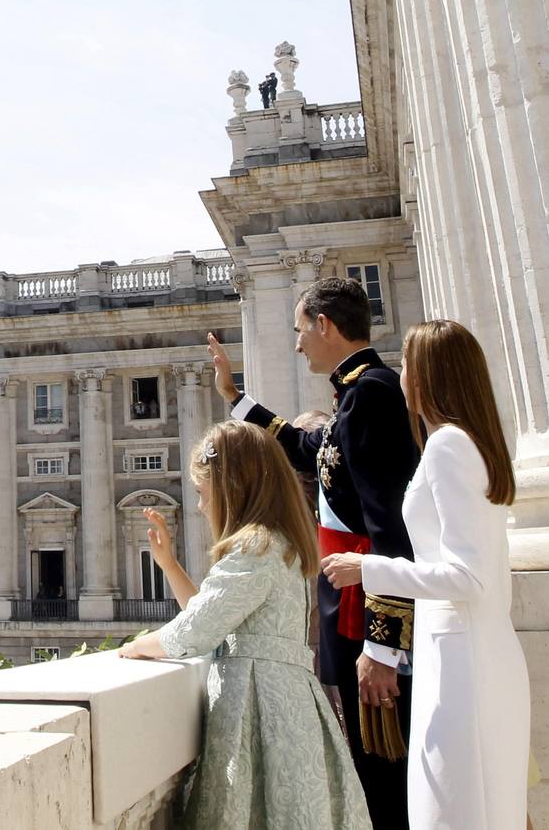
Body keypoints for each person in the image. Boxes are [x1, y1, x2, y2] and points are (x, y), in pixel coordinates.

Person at [209, 276, 418, 830]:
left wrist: (384, 646)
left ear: (324, 325)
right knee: (371, 768)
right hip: (347, 599)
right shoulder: (354, 394)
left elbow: (387, 524)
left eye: (300, 329)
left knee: (384, 773)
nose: (298, 343)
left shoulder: (372, 392)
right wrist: (236, 398)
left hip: (363, 606)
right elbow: (308, 448)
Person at [320, 319, 530, 829]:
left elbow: (467, 577)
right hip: (471, 649)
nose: (403, 375)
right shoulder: (473, 443)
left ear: (431, 375)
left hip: (460, 659)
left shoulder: (447, 447)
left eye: (410, 364)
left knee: (450, 815)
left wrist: (368, 568)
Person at [119, 421, 371, 829]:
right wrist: (168, 564)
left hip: (262, 713)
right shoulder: (279, 543)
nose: (199, 506)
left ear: (232, 485)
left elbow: (192, 632)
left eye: (202, 493)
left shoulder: (253, 546)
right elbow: (215, 614)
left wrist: (135, 647)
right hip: (286, 707)